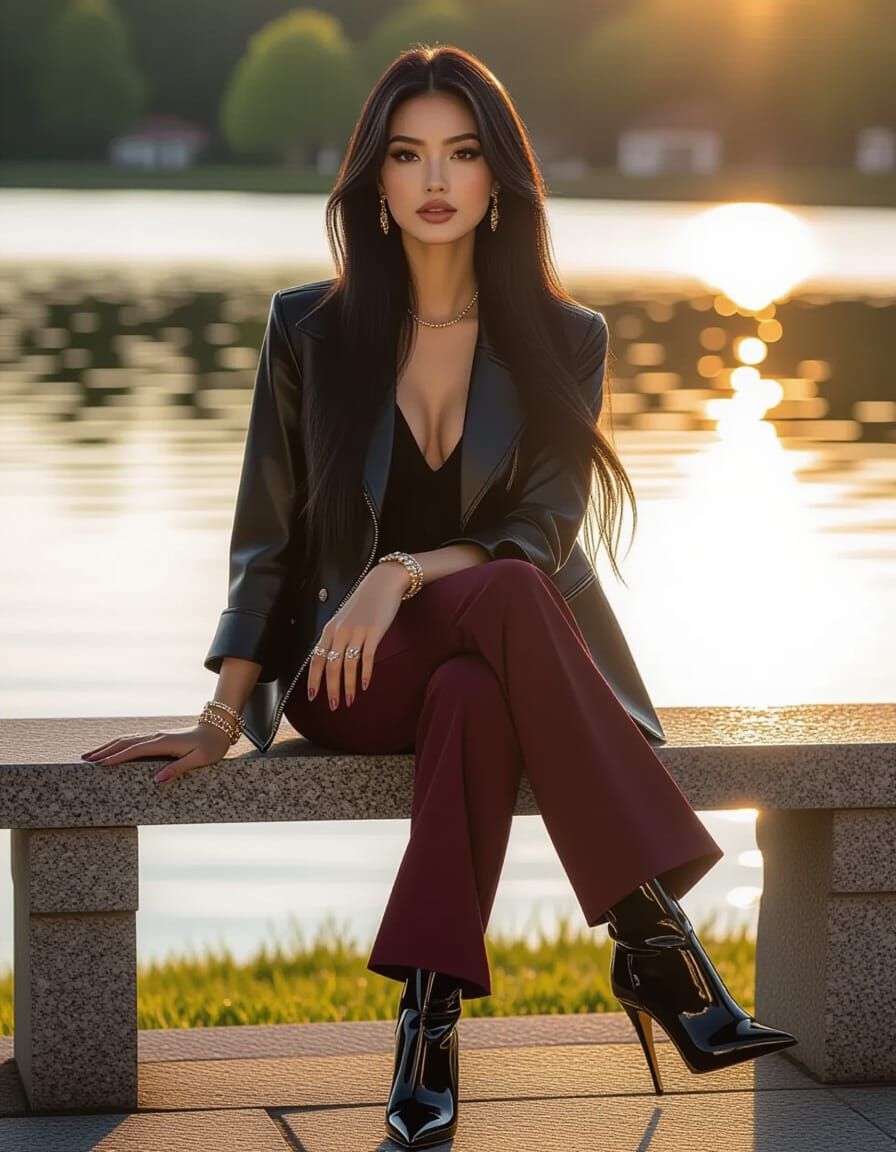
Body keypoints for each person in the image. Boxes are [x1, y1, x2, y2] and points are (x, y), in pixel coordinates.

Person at [81, 44, 797, 1150]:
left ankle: (428, 1024)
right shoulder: (308, 331)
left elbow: (542, 533)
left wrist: (398, 570)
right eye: (407, 153)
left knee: (480, 667)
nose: (432, 179)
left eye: (460, 154)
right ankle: (651, 937)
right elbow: (265, 541)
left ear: (497, 179)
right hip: (348, 673)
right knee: (504, 601)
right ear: (373, 178)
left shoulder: (566, 339)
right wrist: (223, 714)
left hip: (496, 665)